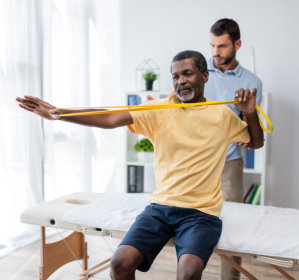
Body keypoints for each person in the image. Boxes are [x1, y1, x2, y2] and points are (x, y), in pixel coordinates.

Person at [16, 50, 264, 280]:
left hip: (201, 214)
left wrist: (249, 113)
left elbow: (256, 141)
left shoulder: (222, 115)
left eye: (187, 73)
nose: (181, 81)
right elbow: (110, 117)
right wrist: (60, 113)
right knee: (119, 264)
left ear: (205, 76)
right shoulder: (158, 110)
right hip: (161, 208)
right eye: (175, 76)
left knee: (188, 273)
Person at [206, 18, 263, 280]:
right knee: (191, 218)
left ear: (237, 45)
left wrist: (244, 127)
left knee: (233, 223)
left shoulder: (252, 82)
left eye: (222, 46)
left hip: (230, 161)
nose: (215, 52)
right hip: (198, 160)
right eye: (213, 46)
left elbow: (248, 123)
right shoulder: (198, 72)